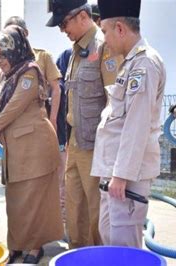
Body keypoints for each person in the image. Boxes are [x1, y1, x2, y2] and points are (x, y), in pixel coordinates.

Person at [0, 25, 64, 264]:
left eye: (3, 54)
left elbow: (12, 109)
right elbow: (1, 109)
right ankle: (16, 244)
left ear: (15, 50)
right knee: (15, 200)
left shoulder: (30, 72)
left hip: (35, 147)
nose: (0, 60)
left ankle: (34, 248)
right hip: (15, 150)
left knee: (34, 201)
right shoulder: (10, 76)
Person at [92, 0, 166, 248]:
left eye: (104, 32)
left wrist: (121, 176)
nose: (104, 40)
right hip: (113, 173)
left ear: (120, 28)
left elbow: (137, 125)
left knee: (125, 251)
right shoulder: (130, 64)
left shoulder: (144, 64)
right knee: (110, 242)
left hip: (126, 177)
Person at [47, 0, 119, 249]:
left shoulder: (104, 47)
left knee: (96, 212)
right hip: (76, 142)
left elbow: (114, 102)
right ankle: (77, 254)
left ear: (82, 17)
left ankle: (97, 258)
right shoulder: (77, 50)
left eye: (64, 23)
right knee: (75, 209)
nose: (62, 30)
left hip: (96, 146)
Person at [0, 16, 62, 132]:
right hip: (7, 126)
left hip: (33, 126)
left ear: (26, 33)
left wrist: (53, 119)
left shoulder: (42, 57)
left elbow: (56, 89)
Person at [55, 48, 72, 226]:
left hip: (66, 142)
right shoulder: (59, 89)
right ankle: (64, 225)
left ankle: (65, 224)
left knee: (64, 186)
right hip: (62, 142)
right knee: (63, 187)